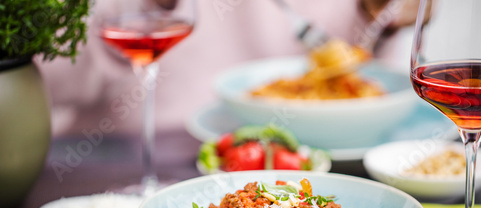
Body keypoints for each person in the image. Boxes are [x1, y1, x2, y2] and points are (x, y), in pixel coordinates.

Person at [38, 0, 422, 138]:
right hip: (116, 159)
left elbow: (377, 85)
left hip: (305, 162)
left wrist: (385, 18)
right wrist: (149, 6)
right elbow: (45, 82)